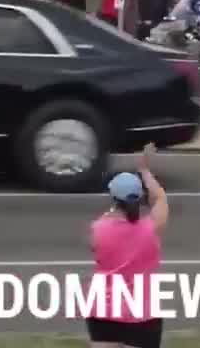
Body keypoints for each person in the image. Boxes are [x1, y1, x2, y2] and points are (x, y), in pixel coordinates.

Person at [86, 145, 167, 348]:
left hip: (103, 311)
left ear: (114, 199)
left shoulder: (98, 228)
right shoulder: (151, 227)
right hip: (143, 314)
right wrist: (145, 170)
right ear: (140, 198)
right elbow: (160, 198)